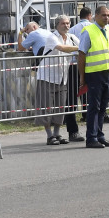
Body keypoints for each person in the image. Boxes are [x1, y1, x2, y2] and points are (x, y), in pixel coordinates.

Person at [33, 15, 80, 145]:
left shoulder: (71, 38)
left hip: (62, 77)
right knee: (45, 106)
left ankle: (56, 134)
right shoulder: (52, 37)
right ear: (57, 25)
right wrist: (80, 49)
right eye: (63, 23)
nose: (66, 26)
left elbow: (82, 46)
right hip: (47, 76)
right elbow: (62, 48)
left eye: (68, 23)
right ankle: (49, 136)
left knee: (60, 107)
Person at [77, 5, 109, 148]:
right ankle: (91, 137)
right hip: (94, 74)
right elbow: (81, 55)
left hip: (107, 72)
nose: (106, 17)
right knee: (94, 107)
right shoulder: (88, 31)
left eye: (108, 15)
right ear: (96, 16)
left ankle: (100, 135)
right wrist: (82, 77)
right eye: (103, 15)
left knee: (103, 108)